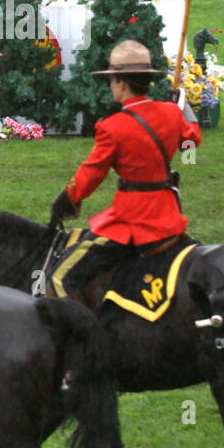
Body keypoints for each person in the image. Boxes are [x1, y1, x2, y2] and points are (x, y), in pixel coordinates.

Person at [49, 40, 201, 298]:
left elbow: (92, 172)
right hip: (169, 215)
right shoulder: (170, 112)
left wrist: (68, 198)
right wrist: (182, 108)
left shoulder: (112, 127)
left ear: (121, 81)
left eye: (112, 80)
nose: (111, 86)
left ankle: (82, 336)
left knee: (60, 279)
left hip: (133, 219)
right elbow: (191, 142)